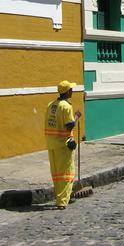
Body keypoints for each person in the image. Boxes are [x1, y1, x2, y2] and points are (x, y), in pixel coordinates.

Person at [45, 80, 81, 209]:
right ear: (68, 91)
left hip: (52, 143)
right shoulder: (66, 107)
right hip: (63, 144)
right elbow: (69, 125)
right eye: (71, 89)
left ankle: (63, 196)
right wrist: (77, 116)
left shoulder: (51, 105)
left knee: (56, 174)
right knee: (67, 173)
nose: (72, 91)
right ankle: (62, 201)